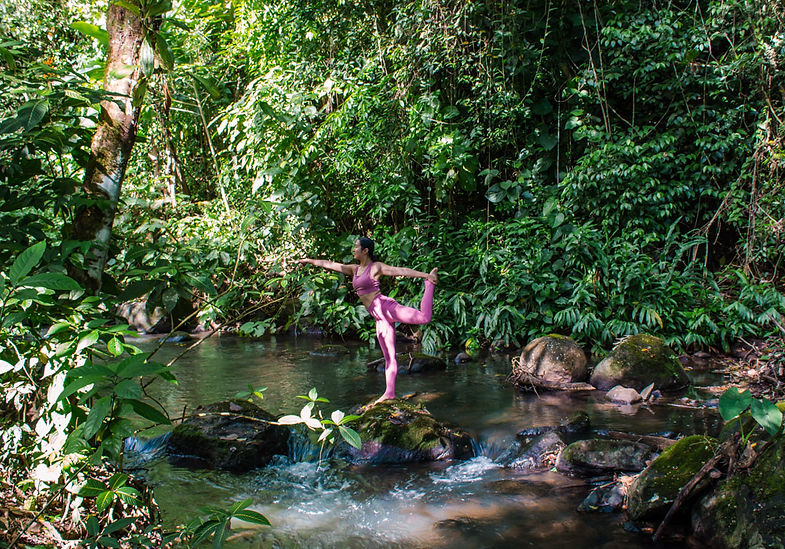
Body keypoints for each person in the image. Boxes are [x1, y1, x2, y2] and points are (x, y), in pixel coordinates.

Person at [296, 237, 438, 404]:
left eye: (356, 246)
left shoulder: (375, 267)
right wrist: (308, 260)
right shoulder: (354, 269)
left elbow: (399, 271)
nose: (353, 249)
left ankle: (430, 284)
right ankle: (389, 393)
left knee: (424, 317)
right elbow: (330, 264)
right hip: (379, 318)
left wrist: (426, 275)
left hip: (386, 307)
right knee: (389, 357)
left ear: (365, 250)